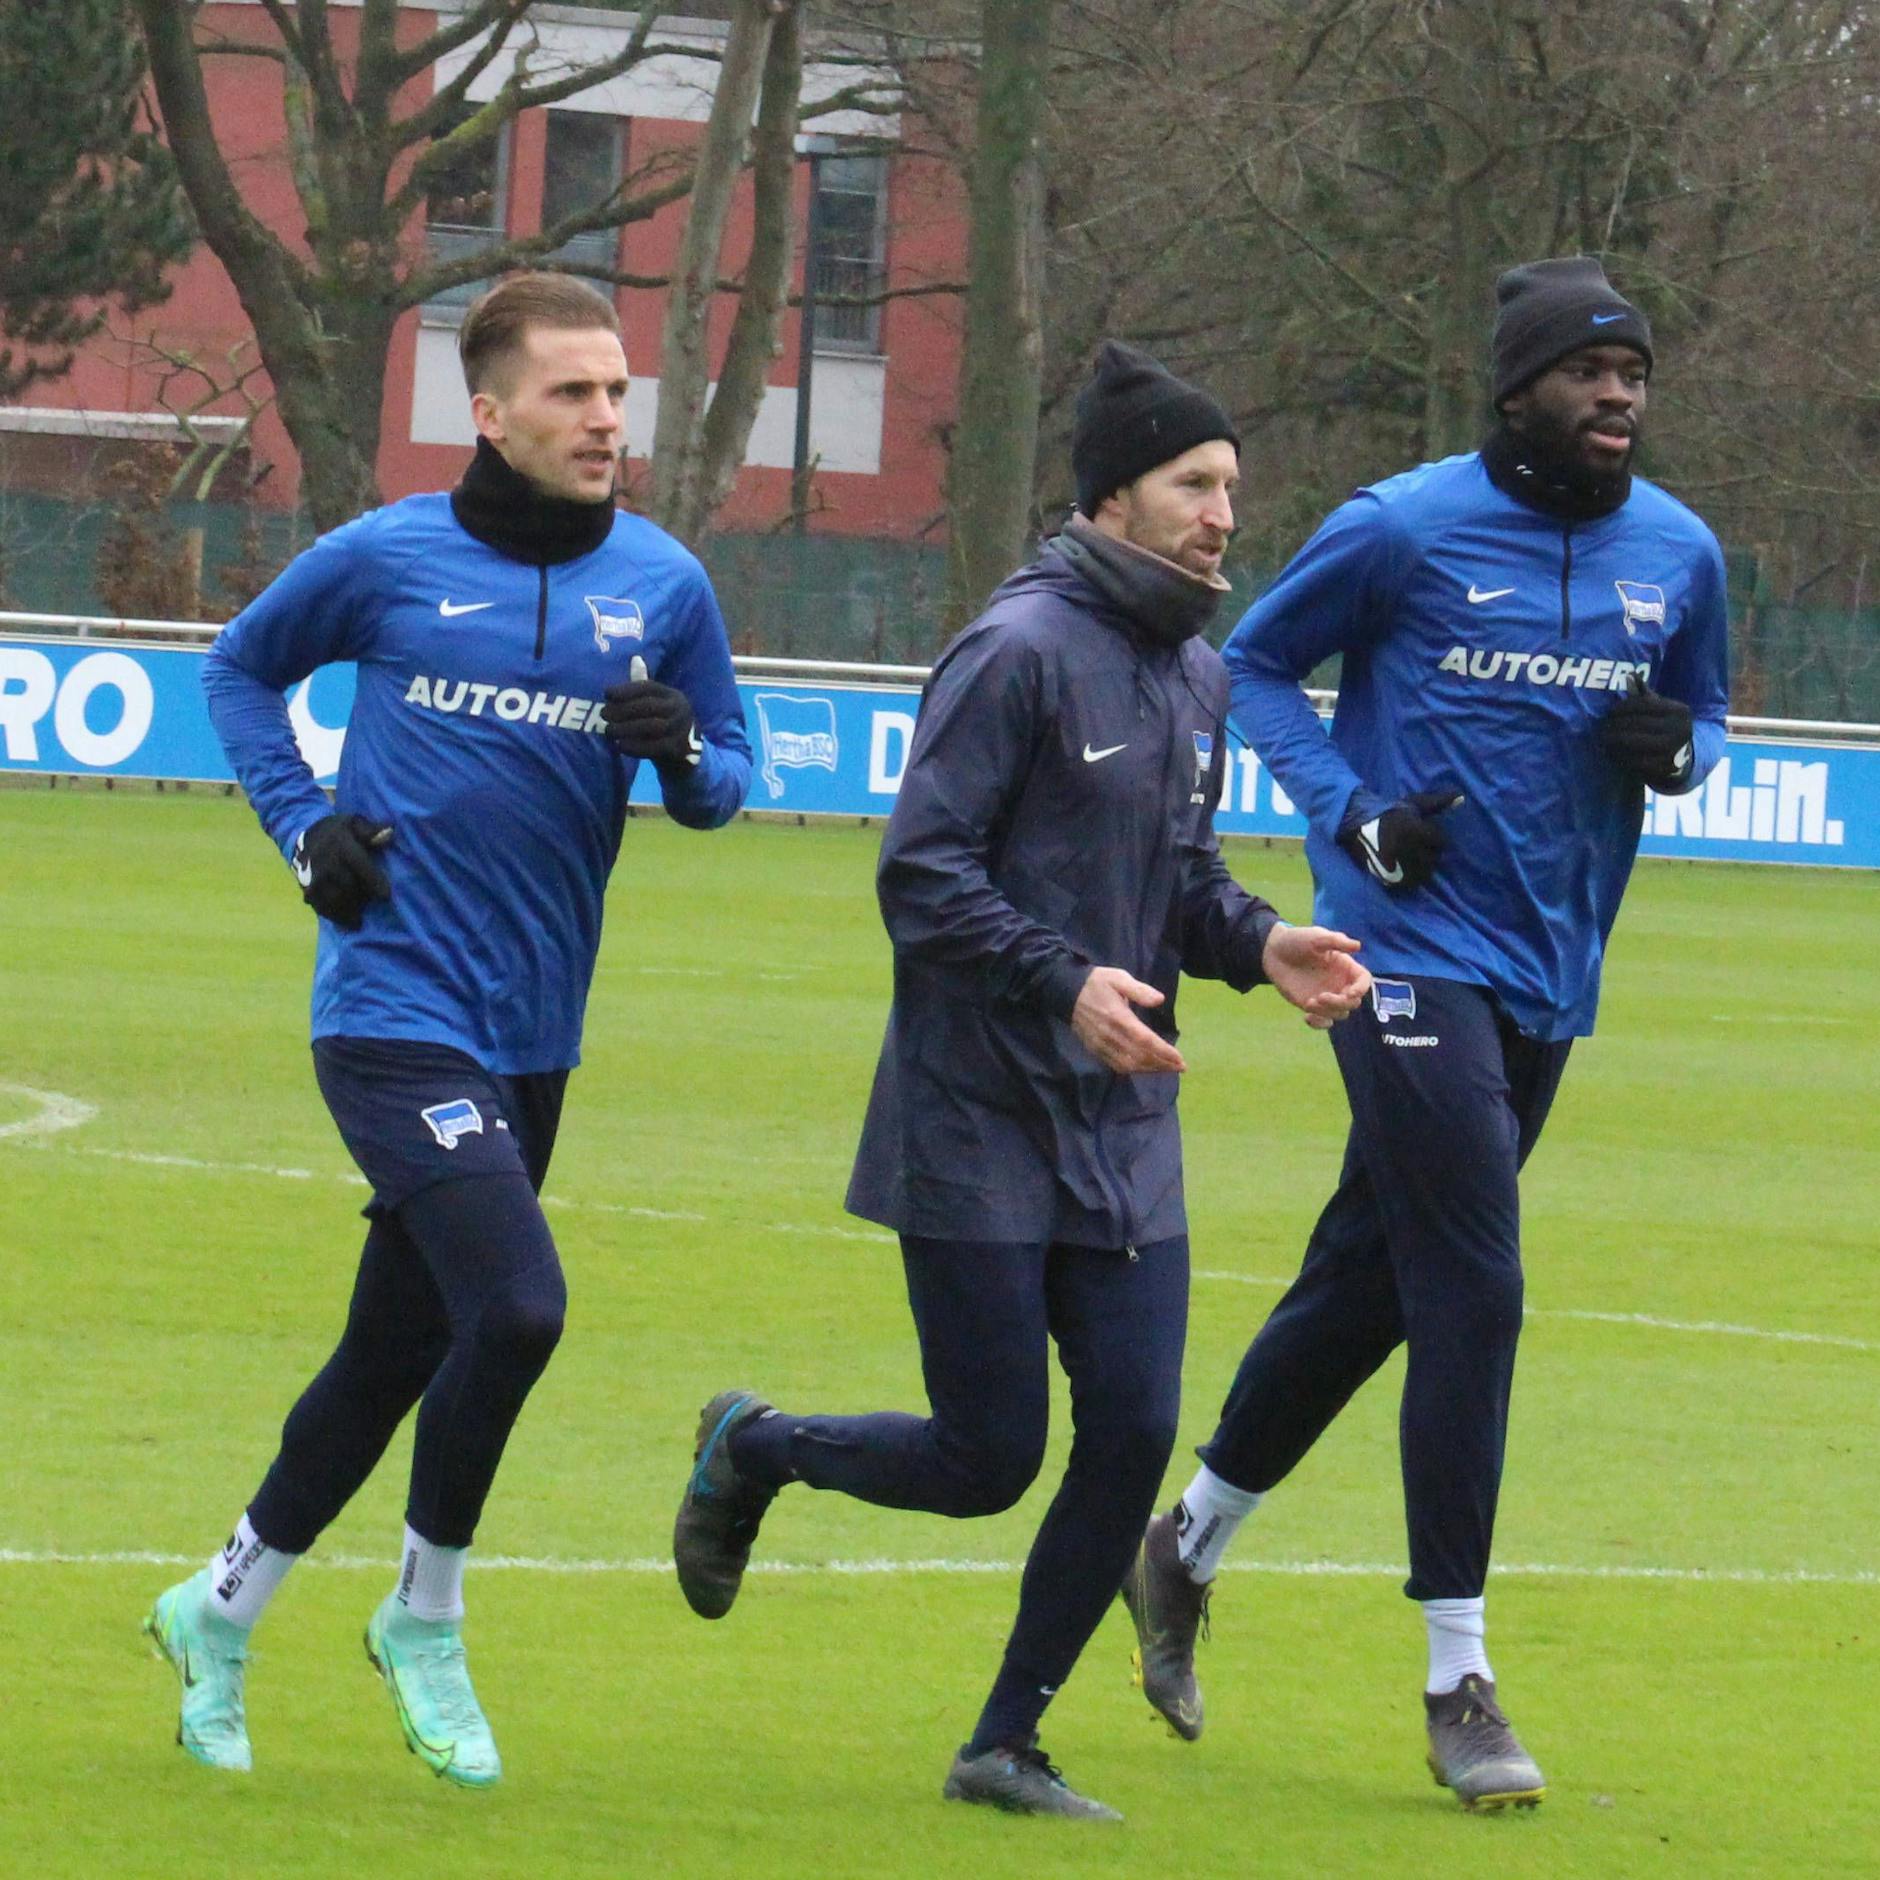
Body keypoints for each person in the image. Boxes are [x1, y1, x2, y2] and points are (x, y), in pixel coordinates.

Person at [669, 342, 1372, 1823]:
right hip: (976, 1108)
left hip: (1122, 1121)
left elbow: (1176, 882)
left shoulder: (1196, 669)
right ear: (1114, 492)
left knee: (1129, 1433)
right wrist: (1063, 982)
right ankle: (757, 1448)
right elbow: (919, 876)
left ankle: (1005, 1741)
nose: (1223, 513)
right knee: (991, 1456)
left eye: (1233, 486)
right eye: (1195, 483)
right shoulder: (1017, 650)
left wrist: (1262, 946)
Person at [1119, 256, 1731, 1810]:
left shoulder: (1683, 551)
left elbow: (1705, 714)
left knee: (1369, 1279)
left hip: (1548, 970)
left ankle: (1182, 1545)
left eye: (1635, 374)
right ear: (1516, 390)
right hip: (1399, 954)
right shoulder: (1402, 526)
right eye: (1589, 373)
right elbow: (1251, 663)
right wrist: (1353, 820)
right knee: (1477, 1279)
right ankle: (1459, 1674)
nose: (1619, 396)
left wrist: (1682, 749)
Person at [143, 272, 752, 1785]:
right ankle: (426, 1611)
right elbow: (237, 669)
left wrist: (684, 759)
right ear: (487, 413)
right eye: (572, 393)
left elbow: (732, 777)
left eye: (619, 392)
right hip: (392, 1008)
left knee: (390, 1351)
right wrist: (304, 828)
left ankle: (218, 1609)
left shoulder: (665, 585)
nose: (606, 418)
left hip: (536, 1034)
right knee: (521, 1309)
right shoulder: (386, 557)